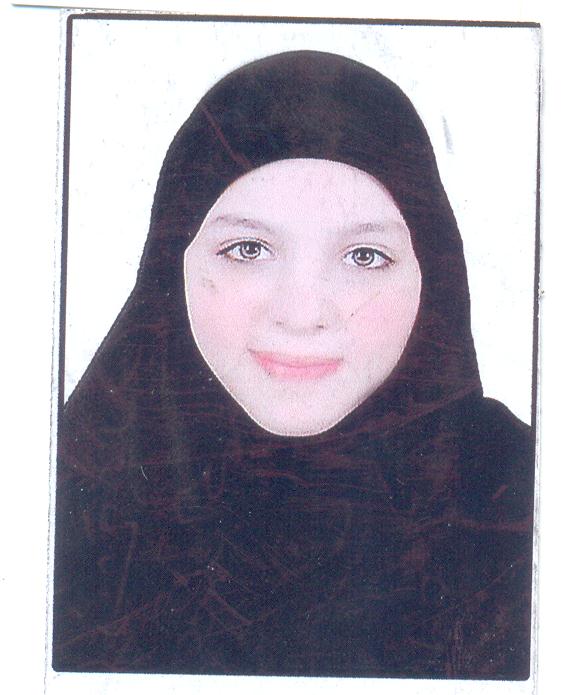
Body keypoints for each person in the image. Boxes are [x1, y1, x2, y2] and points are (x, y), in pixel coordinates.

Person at [52, 50, 535, 679]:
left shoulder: (521, 496)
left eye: (364, 256)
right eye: (248, 249)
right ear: (172, 265)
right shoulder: (63, 494)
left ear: (433, 275)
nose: (302, 315)